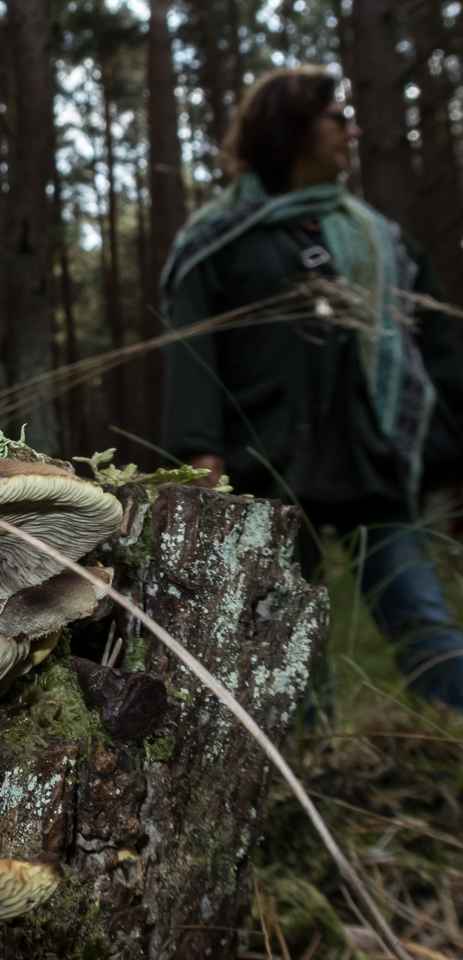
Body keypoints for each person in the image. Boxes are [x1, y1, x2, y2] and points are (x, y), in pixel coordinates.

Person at [161, 66, 463, 710]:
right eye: (337, 119)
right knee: (280, 640)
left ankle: (448, 743)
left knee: (422, 615)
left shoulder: (377, 239)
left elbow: (434, 344)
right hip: (266, 467)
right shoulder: (217, 238)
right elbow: (193, 351)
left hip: (370, 462)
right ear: (291, 129)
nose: (354, 131)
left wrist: (448, 447)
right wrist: (200, 454)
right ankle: (313, 773)